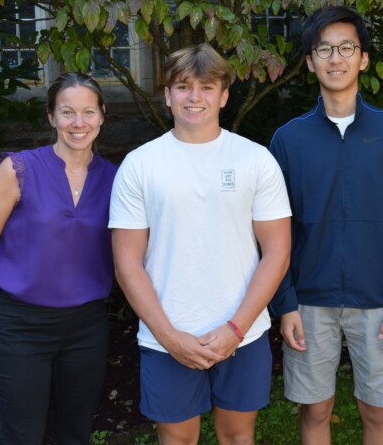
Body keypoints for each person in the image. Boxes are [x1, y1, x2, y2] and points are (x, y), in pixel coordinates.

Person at [109, 44, 291, 445]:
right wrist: (170, 337)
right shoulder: (140, 165)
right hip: (166, 333)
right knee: (177, 439)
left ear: (224, 95)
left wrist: (235, 328)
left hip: (243, 332)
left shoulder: (255, 160)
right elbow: (127, 263)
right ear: (168, 94)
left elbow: (276, 252)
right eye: (183, 86)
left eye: (207, 87)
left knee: (237, 437)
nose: (195, 97)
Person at [269, 5, 383, 445]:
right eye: (324, 49)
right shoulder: (288, 139)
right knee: (315, 411)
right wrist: (286, 303)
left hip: (379, 302)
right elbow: (274, 231)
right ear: (310, 62)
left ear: (363, 58)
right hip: (308, 303)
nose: (335, 59)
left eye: (346, 48)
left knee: (376, 412)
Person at [0, 72, 118, 445]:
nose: (78, 123)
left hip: (87, 327)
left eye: (87, 112)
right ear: (51, 117)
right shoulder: (18, 170)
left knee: (76, 432)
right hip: (23, 327)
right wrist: (23, 283)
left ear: (102, 115)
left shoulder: (119, 179)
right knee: (22, 435)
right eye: (67, 112)